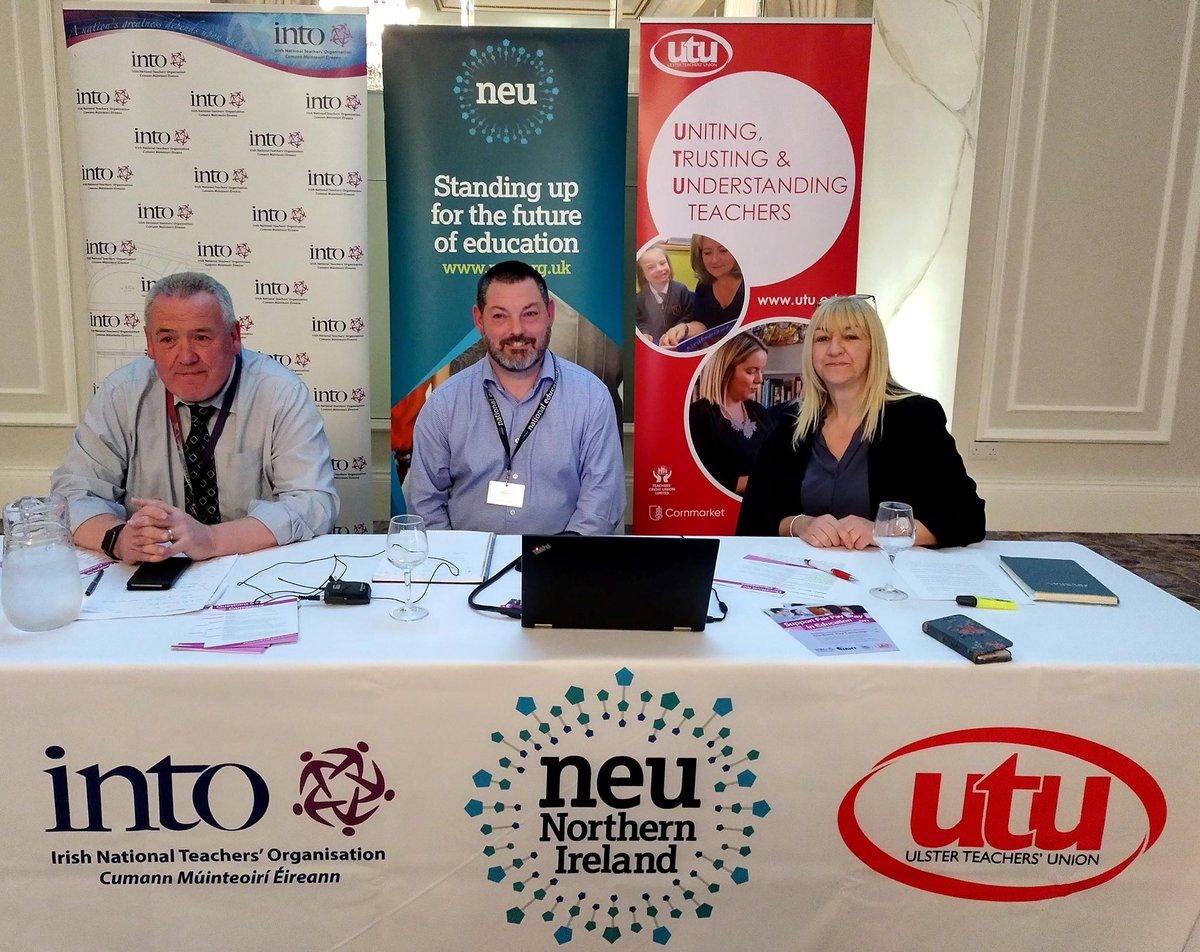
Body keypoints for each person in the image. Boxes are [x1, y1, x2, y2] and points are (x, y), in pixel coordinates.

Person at [51, 272, 339, 563]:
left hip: (250, 564)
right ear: (150, 343)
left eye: (201, 337)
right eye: (168, 339)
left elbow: (313, 503)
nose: (186, 356)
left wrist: (211, 539)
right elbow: (72, 494)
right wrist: (119, 538)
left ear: (234, 337)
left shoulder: (280, 393)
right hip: (151, 569)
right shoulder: (120, 394)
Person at [736, 294, 984, 547]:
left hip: (889, 579)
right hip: (808, 578)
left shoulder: (918, 417)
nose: (834, 349)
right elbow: (751, 520)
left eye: (850, 336)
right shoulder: (788, 422)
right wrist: (800, 524)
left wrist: (882, 531)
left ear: (873, 347)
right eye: (822, 338)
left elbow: (967, 518)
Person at [409, 259, 625, 535]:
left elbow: (602, 503)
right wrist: (457, 561)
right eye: (500, 316)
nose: (517, 330)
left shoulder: (592, 398)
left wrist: (555, 561)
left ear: (550, 314)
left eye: (530, 314)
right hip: (467, 567)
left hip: (558, 565)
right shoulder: (443, 405)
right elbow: (425, 504)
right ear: (479, 321)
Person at [688, 333, 775, 494]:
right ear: (726, 370)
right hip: (718, 511)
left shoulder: (759, 412)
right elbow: (698, 479)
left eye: (761, 371)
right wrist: (759, 480)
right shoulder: (698, 416)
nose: (760, 379)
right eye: (751, 371)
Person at [659, 235, 745, 346]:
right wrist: (684, 328)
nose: (715, 259)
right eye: (707, 253)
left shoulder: (751, 286)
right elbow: (702, 324)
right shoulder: (704, 285)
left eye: (723, 250)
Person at [634, 244, 694, 344]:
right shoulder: (640, 297)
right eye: (651, 267)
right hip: (654, 345)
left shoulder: (681, 290)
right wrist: (644, 333)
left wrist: (676, 331)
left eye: (662, 263)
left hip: (678, 341)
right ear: (643, 274)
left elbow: (690, 315)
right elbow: (639, 321)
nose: (659, 269)